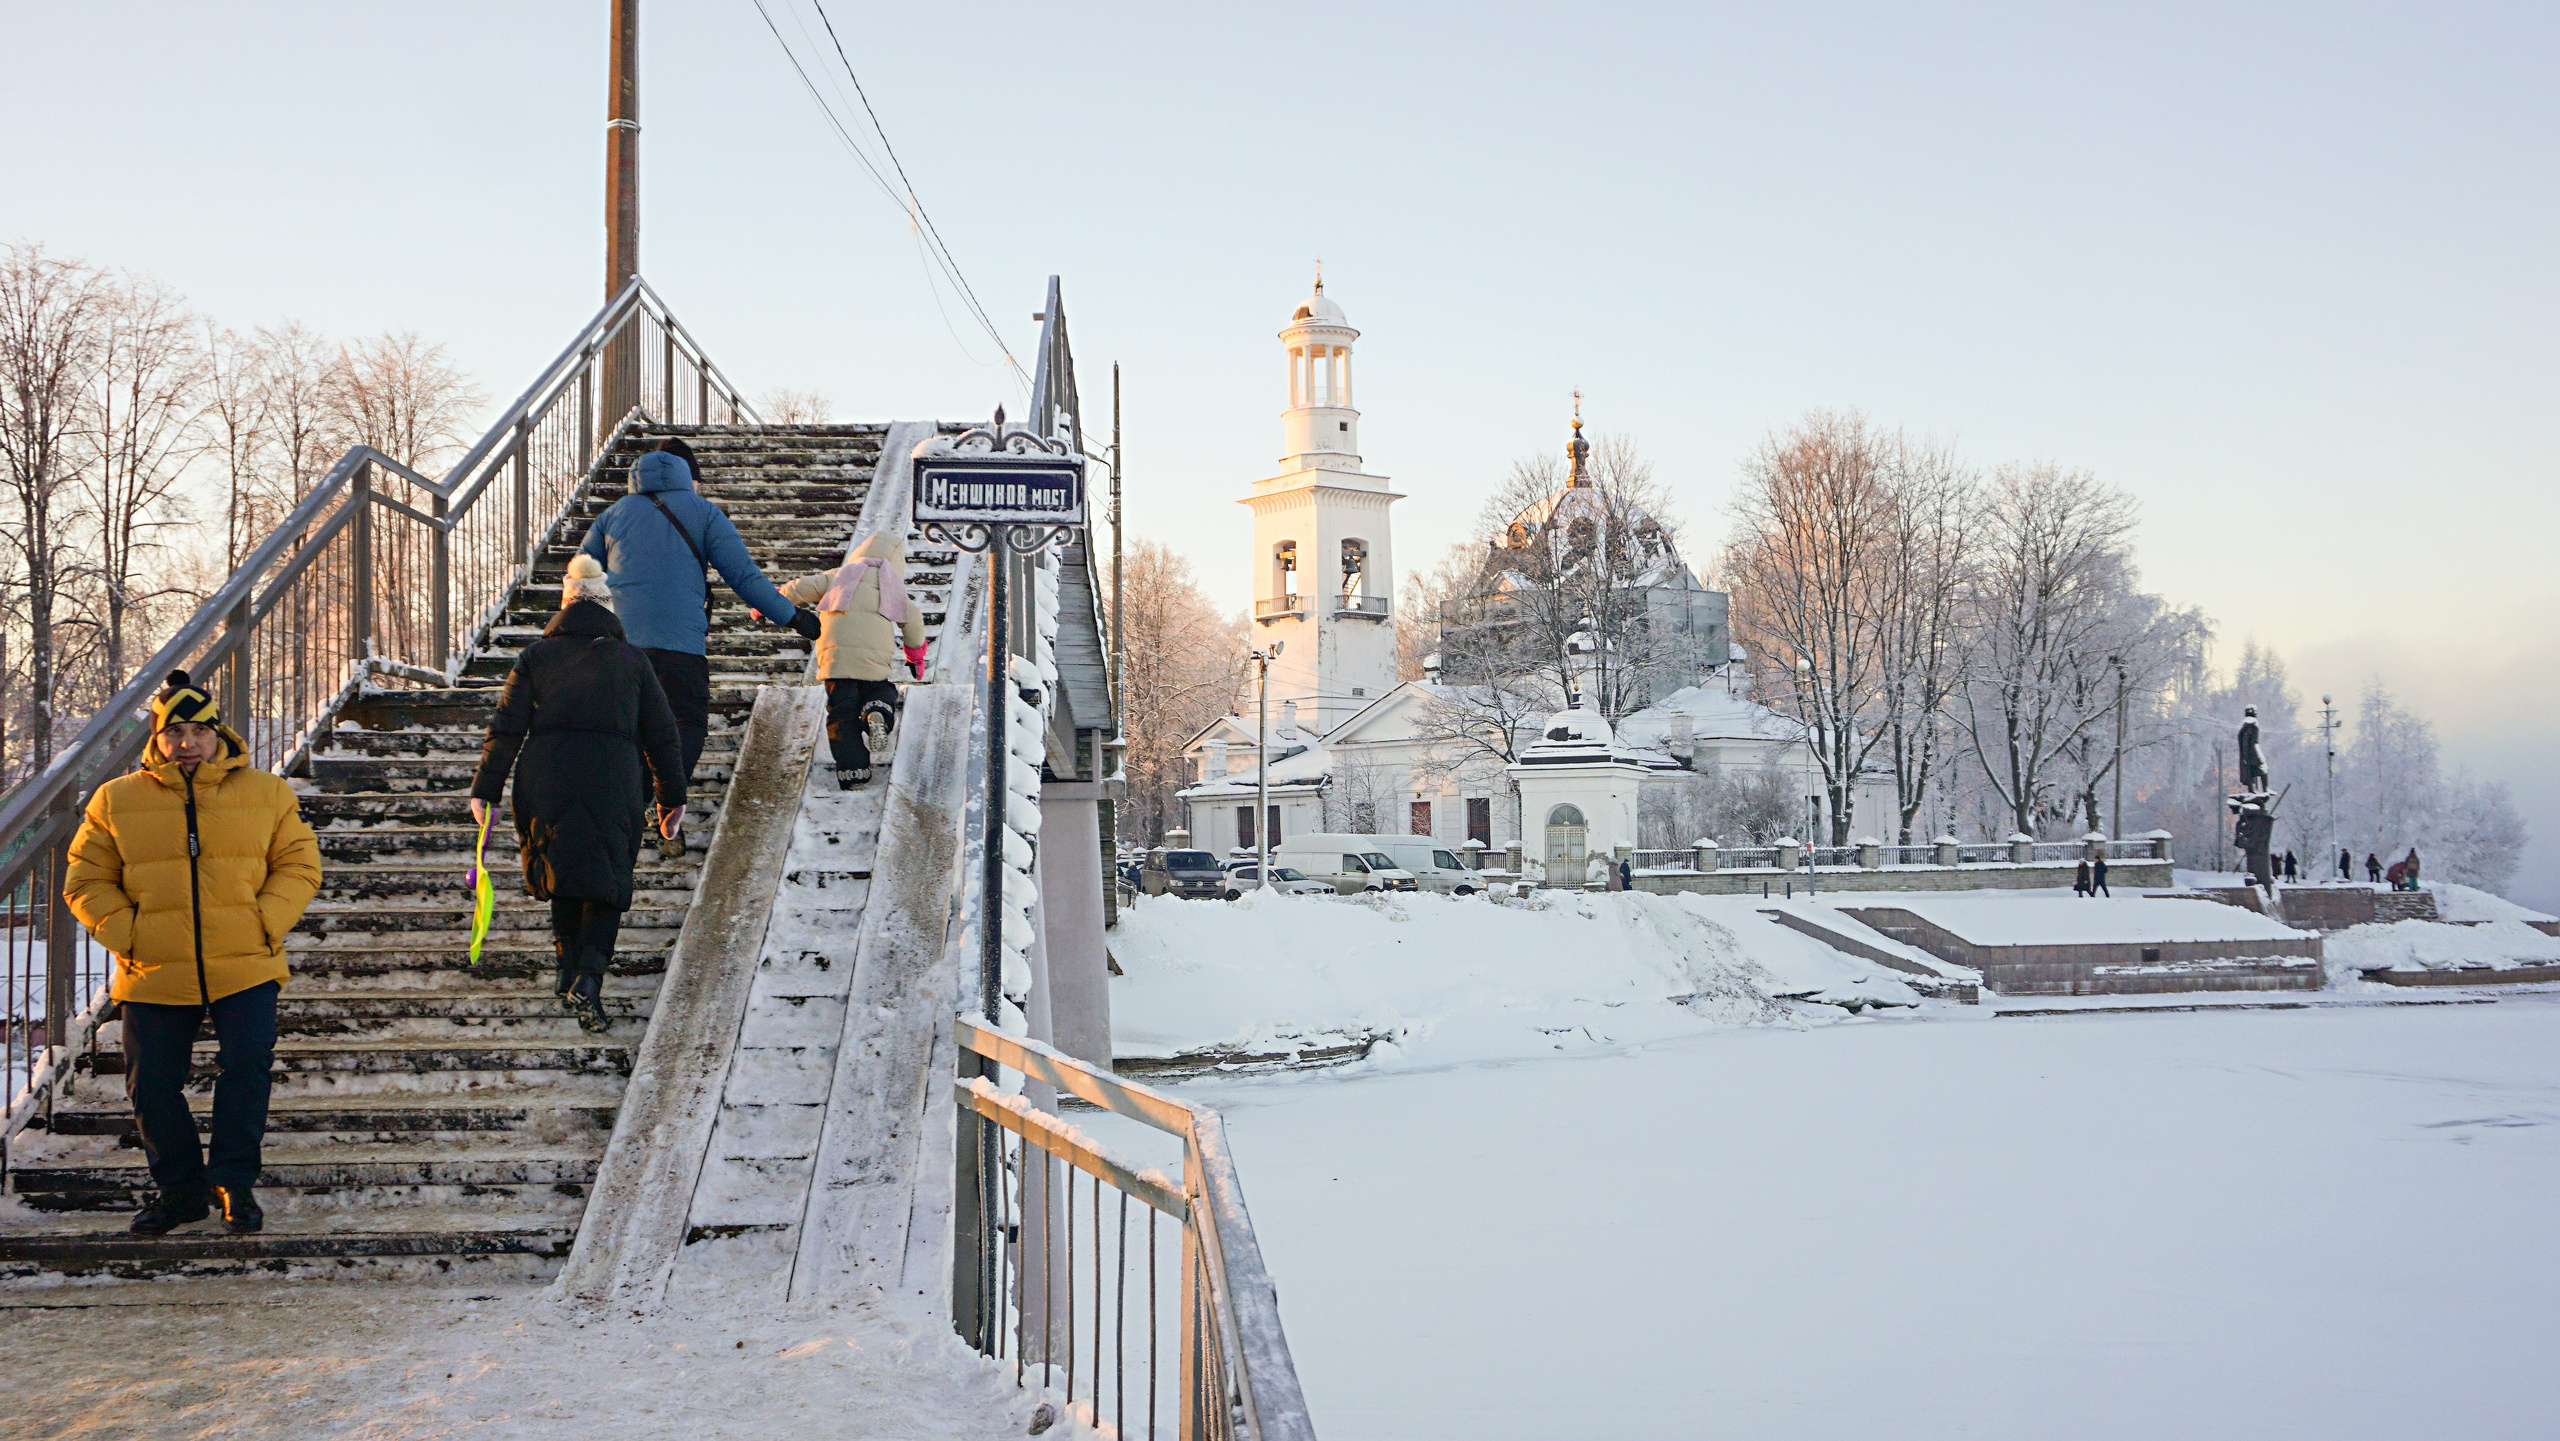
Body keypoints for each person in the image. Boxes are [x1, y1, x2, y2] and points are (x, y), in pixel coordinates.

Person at [65, 670, 323, 1236]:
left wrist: (263, 922)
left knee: (247, 1069)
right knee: (152, 1085)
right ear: (156, 740)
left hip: (246, 963)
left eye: (198, 730)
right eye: (173, 732)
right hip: (152, 967)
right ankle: (180, 1191)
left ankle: (233, 1183)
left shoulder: (267, 792)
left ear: (218, 734)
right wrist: (131, 934)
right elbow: (86, 881)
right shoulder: (116, 800)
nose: (187, 743)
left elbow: (300, 865)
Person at [470, 555, 685, 1033]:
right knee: (607, 878)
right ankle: (589, 976)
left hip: (546, 777)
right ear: (608, 609)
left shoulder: (535, 657)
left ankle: (566, 968)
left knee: (560, 867)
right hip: (613, 777)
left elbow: (506, 727)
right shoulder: (632, 660)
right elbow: (662, 733)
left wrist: (487, 788)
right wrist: (672, 796)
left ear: (564, 605)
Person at [580, 441, 813, 844]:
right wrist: (795, 618)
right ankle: (664, 802)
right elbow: (745, 578)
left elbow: (579, 581)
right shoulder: (705, 513)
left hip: (615, 650)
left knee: (627, 731)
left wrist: (574, 641)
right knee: (684, 725)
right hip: (679, 651)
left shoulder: (610, 517)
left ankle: (627, 813)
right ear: (690, 478)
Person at [770, 530, 927, 789]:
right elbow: (914, 622)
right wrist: (915, 656)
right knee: (880, 688)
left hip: (835, 656)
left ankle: (853, 771)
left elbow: (800, 587)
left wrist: (768, 601)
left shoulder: (838, 576)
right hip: (873, 655)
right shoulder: (891, 586)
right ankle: (877, 709)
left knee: (841, 713)